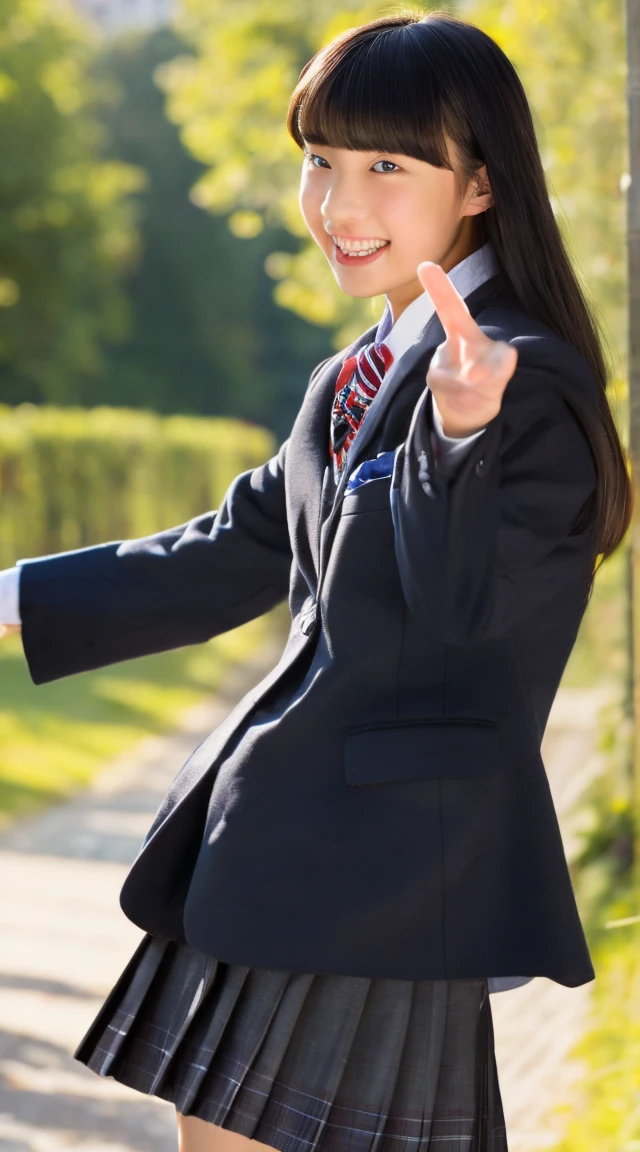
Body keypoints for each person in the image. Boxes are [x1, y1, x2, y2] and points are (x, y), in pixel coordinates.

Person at [0, 11, 631, 1152]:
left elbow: (461, 616)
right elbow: (239, 547)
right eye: (321, 161)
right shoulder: (356, 368)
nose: (339, 205)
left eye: (386, 166)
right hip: (294, 856)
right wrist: (8, 599)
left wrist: (454, 438)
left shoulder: (518, 378)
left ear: (481, 182)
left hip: (380, 872)